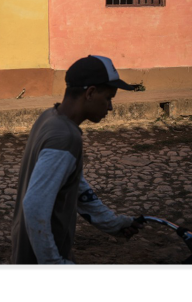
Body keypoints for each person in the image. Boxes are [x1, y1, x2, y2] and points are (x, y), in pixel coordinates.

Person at [10, 55, 143, 265]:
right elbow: (35, 205)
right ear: (90, 93)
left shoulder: (49, 117)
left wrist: (111, 222)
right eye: (108, 98)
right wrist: (53, 261)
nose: (110, 108)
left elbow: (75, 185)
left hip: (29, 249)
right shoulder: (65, 138)